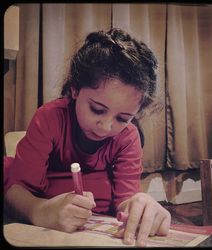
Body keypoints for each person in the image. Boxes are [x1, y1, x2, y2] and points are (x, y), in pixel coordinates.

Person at [4, 28, 171, 247]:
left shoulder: (128, 137)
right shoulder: (50, 118)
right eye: (97, 109)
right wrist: (39, 211)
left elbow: (125, 201)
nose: (105, 127)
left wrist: (139, 205)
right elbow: (16, 192)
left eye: (123, 118)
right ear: (75, 90)